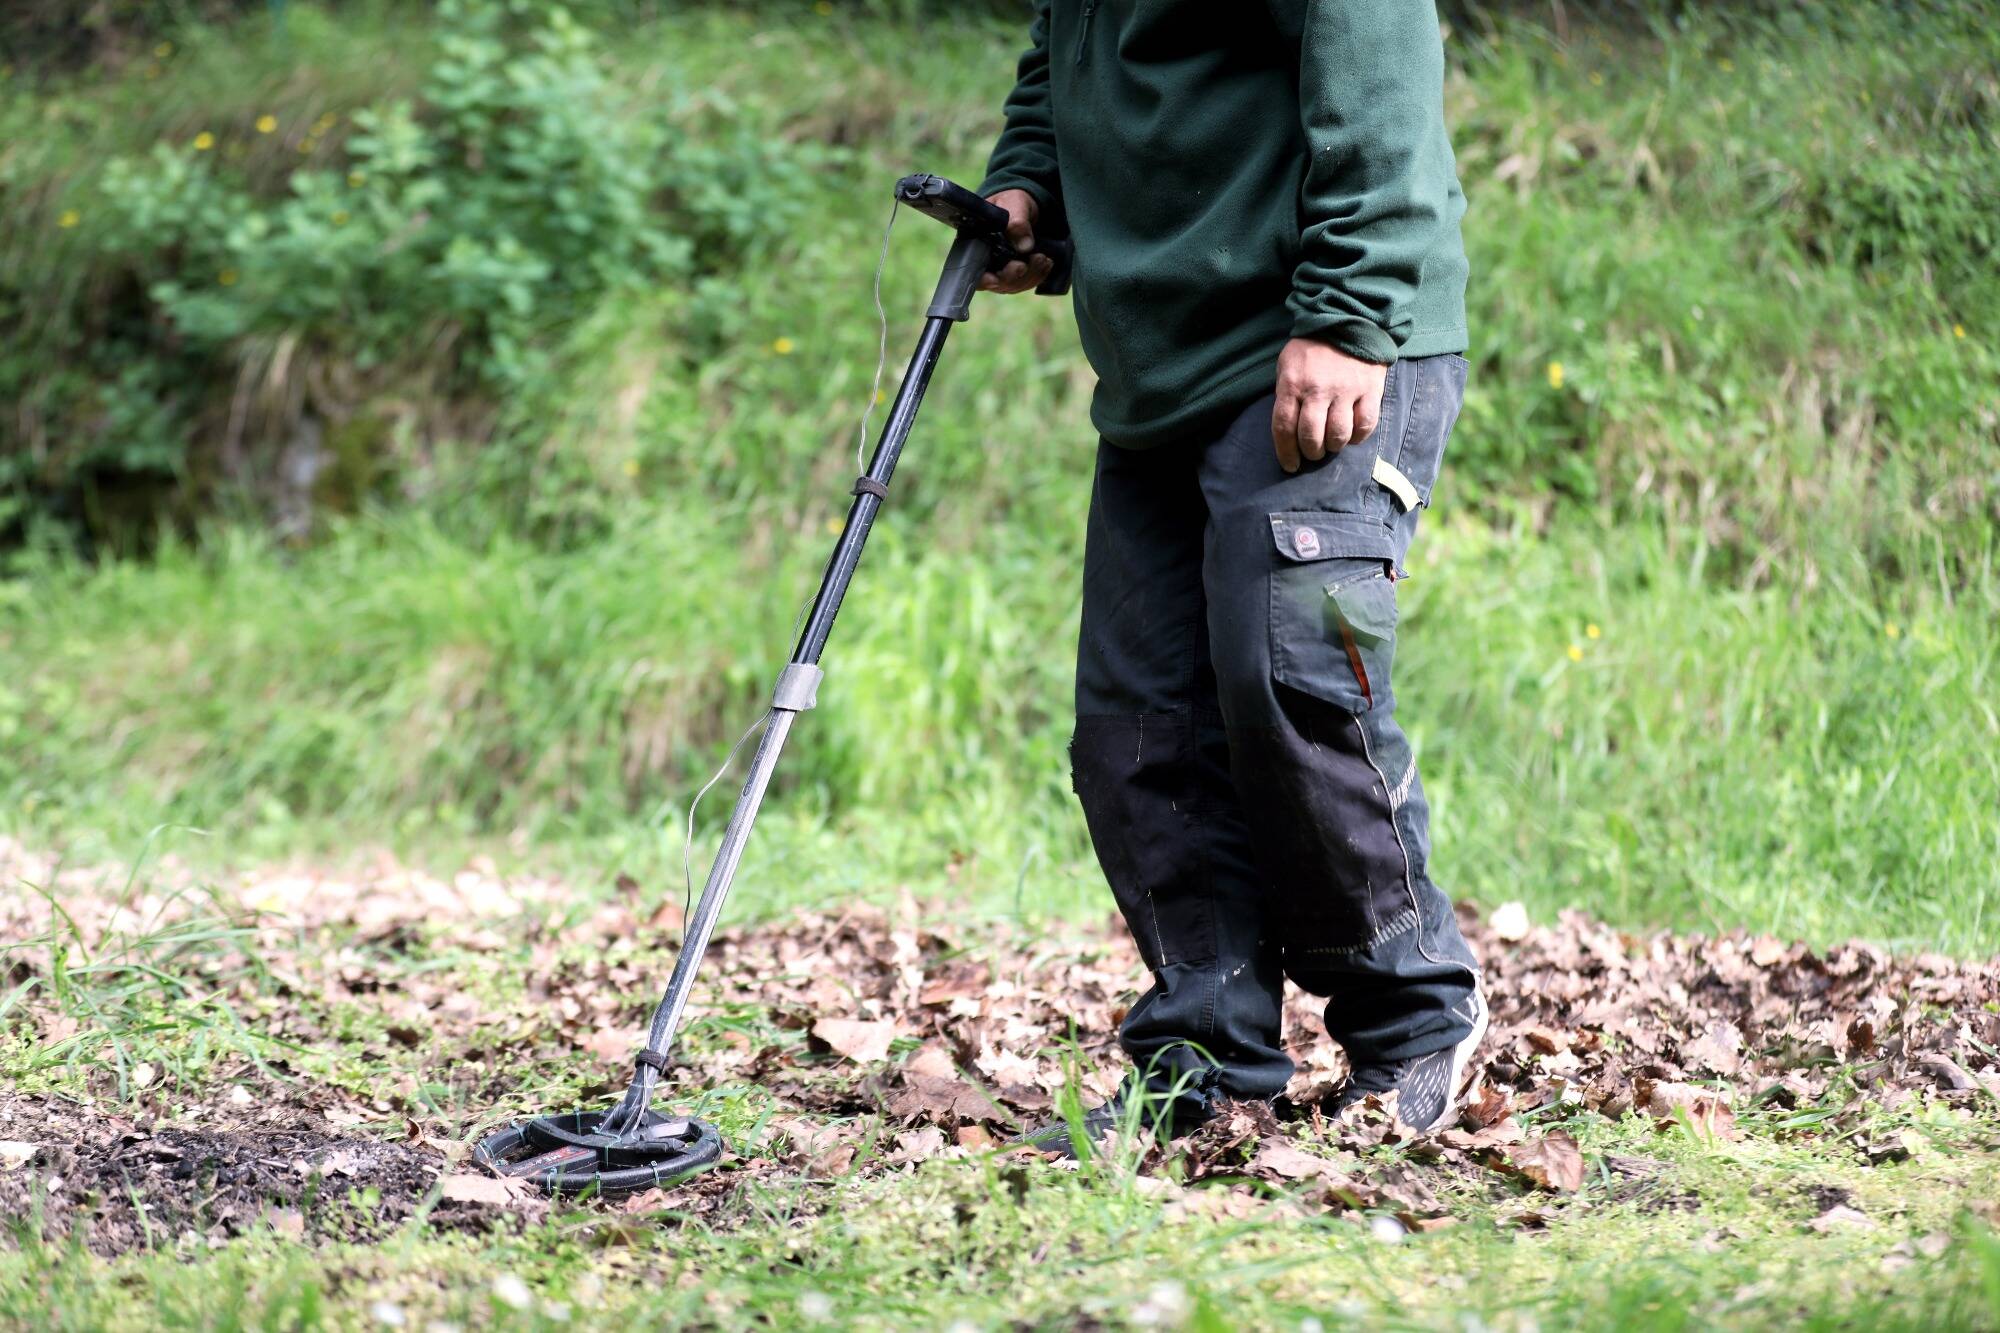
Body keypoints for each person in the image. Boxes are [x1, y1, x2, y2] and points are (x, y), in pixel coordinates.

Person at [977, 0, 1486, 1150]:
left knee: (1288, 674)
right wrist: (1027, 193)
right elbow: (1060, 64)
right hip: (1160, 365)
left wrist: (1352, 312)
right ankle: (1203, 1062)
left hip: (1320, 341)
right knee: (1135, 719)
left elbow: (1376, 59)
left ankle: (1411, 1019)